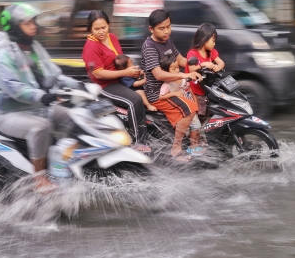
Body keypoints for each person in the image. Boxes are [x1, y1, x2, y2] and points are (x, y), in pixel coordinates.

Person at [0, 2, 81, 192]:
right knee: (41, 126)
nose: (34, 26)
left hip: (34, 107)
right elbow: (15, 88)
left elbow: (55, 75)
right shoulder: (4, 56)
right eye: (27, 23)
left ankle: (62, 162)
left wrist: (79, 85)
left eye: (34, 21)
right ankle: (39, 179)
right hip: (6, 113)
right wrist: (43, 96)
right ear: (15, 27)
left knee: (73, 115)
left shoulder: (35, 49)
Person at [82, 10, 151, 153]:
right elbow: (99, 74)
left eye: (103, 27)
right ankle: (140, 142)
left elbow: (120, 60)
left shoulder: (112, 37)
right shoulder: (91, 47)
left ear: (109, 25)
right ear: (90, 29)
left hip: (120, 79)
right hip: (104, 85)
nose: (101, 32)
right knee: (135, 100)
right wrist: (127, 73)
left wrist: (133, 71)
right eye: (96, 29)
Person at [140, 9, 203, 161]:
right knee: (190, 109)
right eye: (162, 28)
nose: (166, 31)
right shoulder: (149, 47)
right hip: (158, 93)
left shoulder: (166, 40)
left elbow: (181, 60)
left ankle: (194, 143)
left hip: (173, 86)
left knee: (196, 102)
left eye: (168, 26)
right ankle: (176, 148)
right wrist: (183, 74)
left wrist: (202, 64)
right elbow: (158, 74)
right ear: (151, 29)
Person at [158, 53, 204, 157]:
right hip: (182, 110)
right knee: (187, 127)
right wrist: (174, 93)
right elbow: (161, 97)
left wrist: (195, 101)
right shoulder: (167, 85)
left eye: (177, 67)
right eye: (173, 69)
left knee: (196, 126)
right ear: (166, 72)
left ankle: (193, 145)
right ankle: (186, 145)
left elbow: (190, 90)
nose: (177, 70)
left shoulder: (183, 79)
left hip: (191, 106)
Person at [185, 23, 225, 116]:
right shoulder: (192, 53)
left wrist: (217, 67)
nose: (214, 44)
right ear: (204, 39)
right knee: (200, 113)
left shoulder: (212, 52)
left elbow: (221, 63)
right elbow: (191, 69)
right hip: (195, 91)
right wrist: (203, 64)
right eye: (213, 40)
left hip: (207, 89)